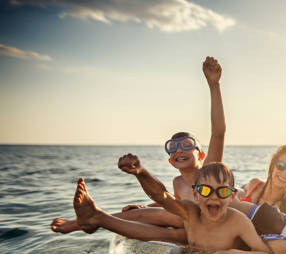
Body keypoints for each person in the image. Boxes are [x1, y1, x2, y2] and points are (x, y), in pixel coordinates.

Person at [51, 56, 226, 234]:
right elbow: (171, 201)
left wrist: (214, 85)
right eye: (172, 147)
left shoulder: (209, 171)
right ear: (170, 161)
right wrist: (144, 206)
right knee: (150, 215)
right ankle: (91, 220)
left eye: (187, 144)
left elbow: (218, 133)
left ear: (201, 155)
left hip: (211, 223)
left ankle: (82, 223)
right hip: (192, 227)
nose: (179, 149)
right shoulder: (178, 182)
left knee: (161, 216)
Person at [72, 163, 276, 254]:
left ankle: (96, 218)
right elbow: (162, 197)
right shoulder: (190, 212)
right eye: (205, 190)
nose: (213, 196)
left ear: (232, 196)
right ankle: (97, 217)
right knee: (163, 233)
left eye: (222, 192)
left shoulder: (237, 222)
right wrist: (141, 173)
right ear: (195, 195)